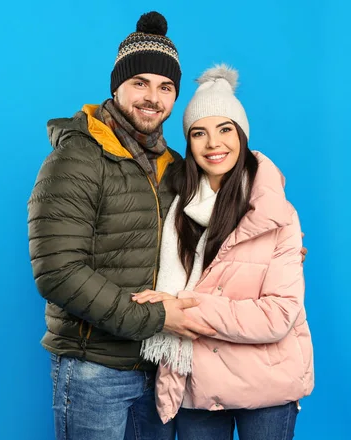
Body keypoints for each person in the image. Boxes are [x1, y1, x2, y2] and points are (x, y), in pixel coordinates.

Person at [27, 10, 217, 440]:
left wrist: (275, 247)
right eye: (140, 83)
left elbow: (212, 237)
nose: (153, 98)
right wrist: (156, 317)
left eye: (166, 87)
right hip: (95, 369)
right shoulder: (77, 159)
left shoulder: (176, 168)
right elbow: (58, 272)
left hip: (160, 367)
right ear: (117, 85)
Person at [132, 64, 314, 440]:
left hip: (268, 385)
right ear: (189, 144)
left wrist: (181, 304)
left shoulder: (276, 214)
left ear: (242, 135)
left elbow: (278, 315)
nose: (214, 143)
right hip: (199, 387)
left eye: (225, 129)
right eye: (199, 133)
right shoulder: (176, 213)